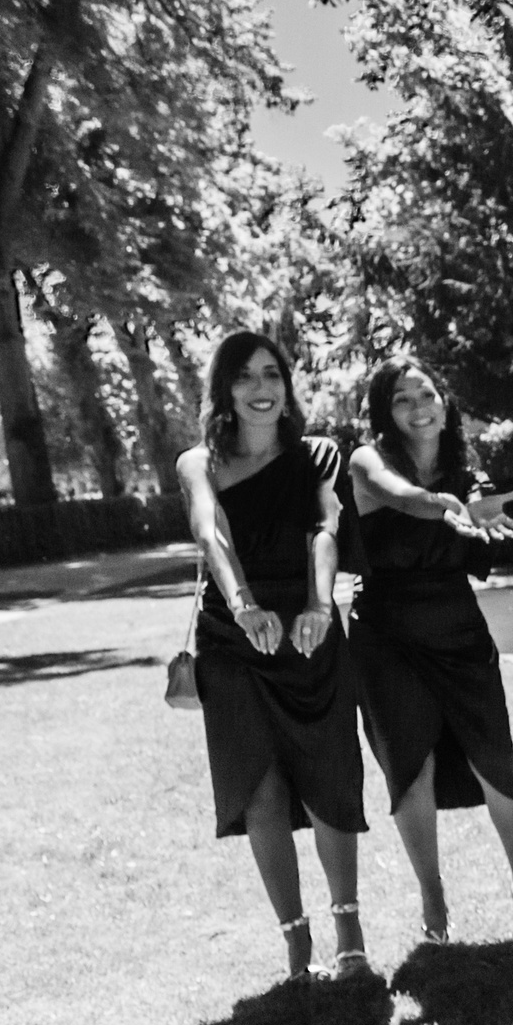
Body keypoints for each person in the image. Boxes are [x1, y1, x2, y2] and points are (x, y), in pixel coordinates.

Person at [176, 331, 368, 982]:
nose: (261, 389)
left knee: (329, 783)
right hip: (234, 639)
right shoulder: (197, 462)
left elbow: (323, 528)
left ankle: (350, 931)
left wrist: (318, 607)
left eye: (272, 375)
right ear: (223, 390)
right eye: (245, 377)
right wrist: (242, 603)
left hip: (309, 632)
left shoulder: (318, 454)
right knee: (260, 794)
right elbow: (211, 528)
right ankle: (295, 941)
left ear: (286, 387)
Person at [344, 355, 513, 942]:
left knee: (495, 758)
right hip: (385, 632)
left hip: (456, 628)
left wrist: (476, 505)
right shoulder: (366, 461)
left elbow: (478, 507)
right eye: (402, 400)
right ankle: (434, 904)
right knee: (410, 765)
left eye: (425, 394)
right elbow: (400, 496)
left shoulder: (463, 465)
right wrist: (447, 507)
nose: (418, 407)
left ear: (444, 400)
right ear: (385, 413)